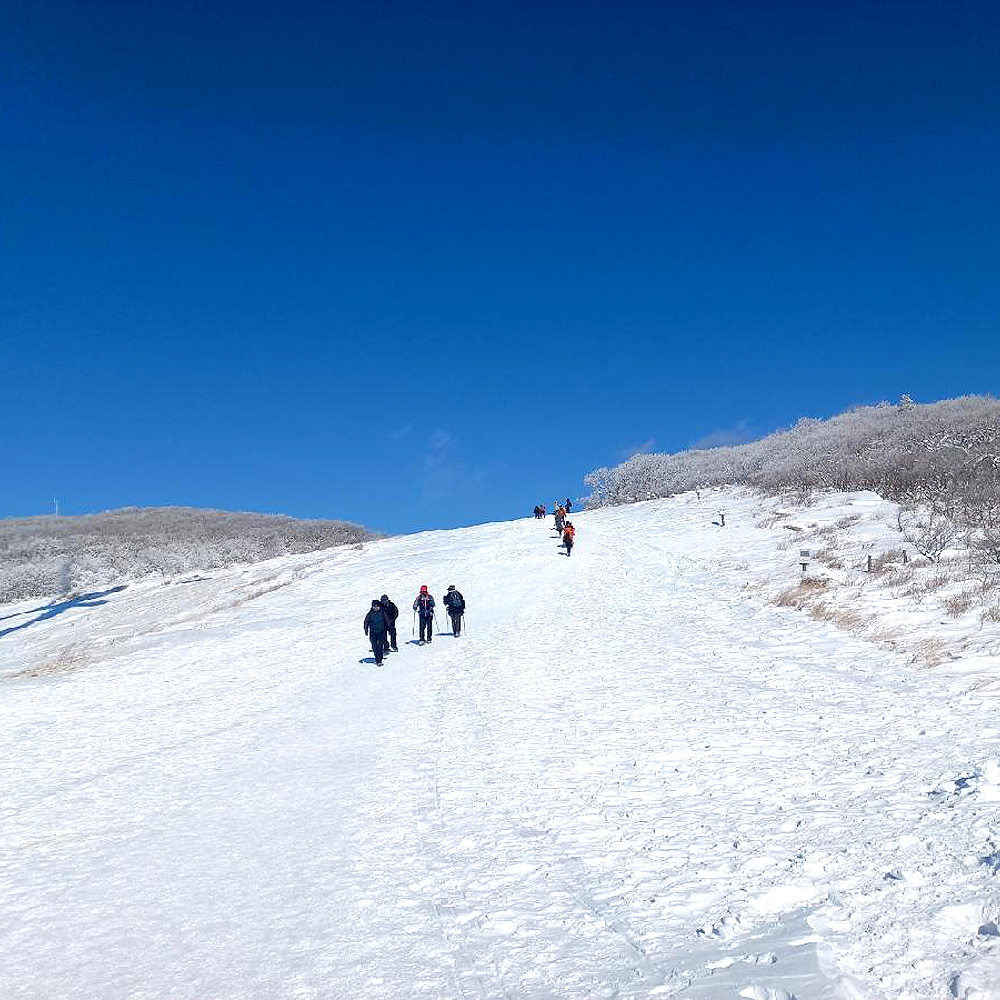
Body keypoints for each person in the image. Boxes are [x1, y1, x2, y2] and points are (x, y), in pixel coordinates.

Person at [363, 599, 389, 665]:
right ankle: (377, 657)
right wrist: (366, 629)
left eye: (377, 606)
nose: (376, 608)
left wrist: (389, 628)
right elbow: (366, 622)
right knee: (374, 646)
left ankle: (379, 660)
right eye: (374, 606)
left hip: (381, 632)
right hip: (373, 632)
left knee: (380, 646)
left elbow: (387, 621)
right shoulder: (370, 614)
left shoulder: (382, 613)